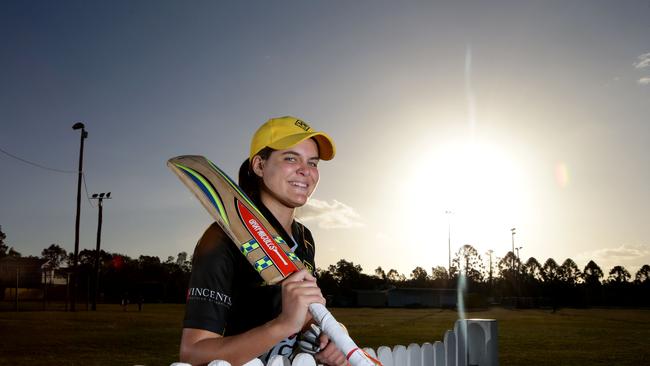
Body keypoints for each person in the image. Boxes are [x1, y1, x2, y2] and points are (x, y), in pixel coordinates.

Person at [179, 116, 348, 366]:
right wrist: (283, 325)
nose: (306, 171)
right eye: (291, 158)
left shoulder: (305, 239)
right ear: (259, 165)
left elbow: (305, 314)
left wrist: (333, 333)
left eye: (312, 162)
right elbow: (193, 354)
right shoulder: (223, 239)